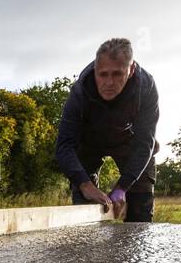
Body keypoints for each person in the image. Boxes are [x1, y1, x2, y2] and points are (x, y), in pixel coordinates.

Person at [53, 38, 159, 222]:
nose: (109, 82)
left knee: (141, 199)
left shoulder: (146, 87)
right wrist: (85, 185)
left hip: (128, 139)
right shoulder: (80, 91)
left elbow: (145, 144)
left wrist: (122, 188)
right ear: (95, 71)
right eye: (103, 75)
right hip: (89, 140)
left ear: (131, 70)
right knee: (84, 208)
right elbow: (63, 146)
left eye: (118, 74)